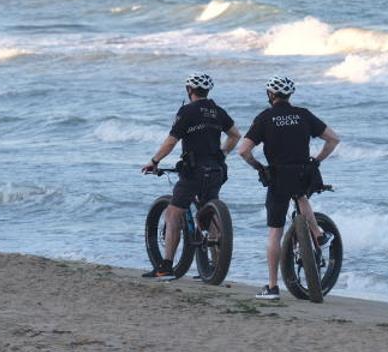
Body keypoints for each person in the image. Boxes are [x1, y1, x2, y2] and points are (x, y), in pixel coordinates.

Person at [235, 75, 340, 300]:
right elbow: (333, 139)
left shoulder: (265, 118)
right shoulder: (303, 115)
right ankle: (318, 234)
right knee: (301, 196)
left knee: (275, 232)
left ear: (270, 95)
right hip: (303, 173)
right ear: (290, 95)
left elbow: (243, 150)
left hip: (278, 176)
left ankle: (273, 288)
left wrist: (259, 167)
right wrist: (317, 160)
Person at [140, 73, 241, 279]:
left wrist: (154, 161)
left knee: (173, 213)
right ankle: (215, 265)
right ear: (207, 91)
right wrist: (221, 154)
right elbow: (235, 135)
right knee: (210, 211)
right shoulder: (217, 111)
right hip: (216, 170)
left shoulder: (187, 111)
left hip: (194, 171)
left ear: (189, 90)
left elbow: (171, 141)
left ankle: (166, 266)